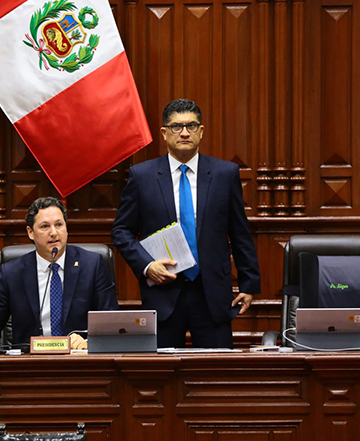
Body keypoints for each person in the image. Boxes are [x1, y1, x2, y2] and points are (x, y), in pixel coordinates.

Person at [111, 99, 260, 348]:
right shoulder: (142, 176)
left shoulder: (225, 174)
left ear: (201, 132)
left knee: (216, 375)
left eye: (191, 126)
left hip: (212, 293)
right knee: (161, 378)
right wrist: (147, 265)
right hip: (163, 292)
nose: (184, 132)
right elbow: (121, 231)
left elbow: (240, 232)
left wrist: (249, 284)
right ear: (164, 133)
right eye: (176, 127)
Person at [0, 197, 119, 349]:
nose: (54, 233)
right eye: (45, 226)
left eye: (59, 225)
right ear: (30, 232)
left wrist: (88, 341)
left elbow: (111, 321)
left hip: (78, 360)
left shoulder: (92, 265)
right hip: (29, 363)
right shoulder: (12, 272)